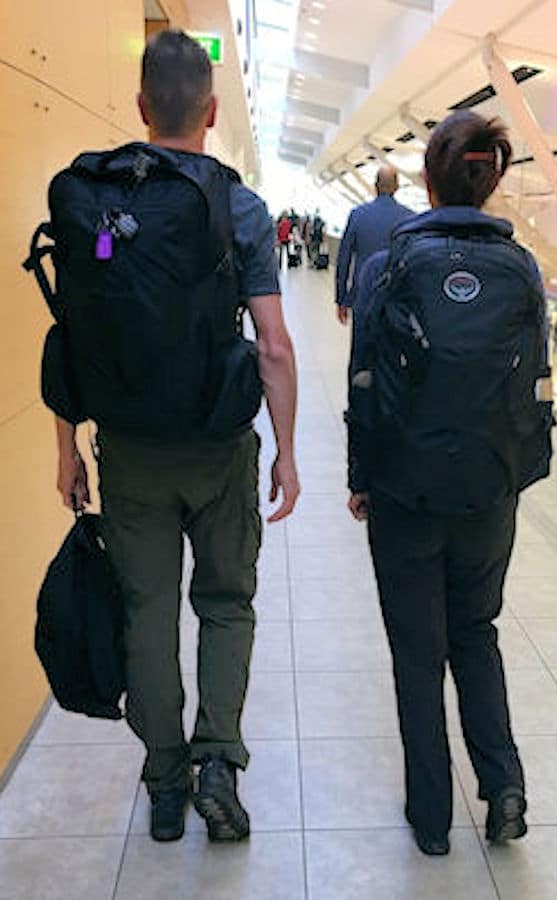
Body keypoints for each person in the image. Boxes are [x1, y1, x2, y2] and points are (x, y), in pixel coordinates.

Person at [54, 31, 300, 844]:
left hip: (127, 452)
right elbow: (271, 343)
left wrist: (67, 449)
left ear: (139, 108)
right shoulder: (240, 206)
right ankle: (219, 763)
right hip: (219, 446)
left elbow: (74, 332)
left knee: (146, 612)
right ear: (212, 110)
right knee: (226, 602)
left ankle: (164, 781)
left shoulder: (99, 204)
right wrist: (288, 453)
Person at [348, 111, 551, 856]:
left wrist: (361, 477)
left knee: (416, 653)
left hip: (404, 491)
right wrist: (517, 475)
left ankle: (431, 820)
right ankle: (504, 789)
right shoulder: (522, 266)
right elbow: (535, 383)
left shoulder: (386, 267)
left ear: (427, 182)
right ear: (487, 181)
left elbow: (364, 380)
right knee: (477, 634)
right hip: (489, 490)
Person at [335, 166, 412, 376]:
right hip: (396, 301)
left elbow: (344, 259)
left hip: (363, 296)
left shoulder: (358, 215)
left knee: (359, 354)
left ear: (375, 186)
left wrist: (342, 299)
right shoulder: (410, 219)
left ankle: (356, 404)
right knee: (392, 355)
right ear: (396, 187)